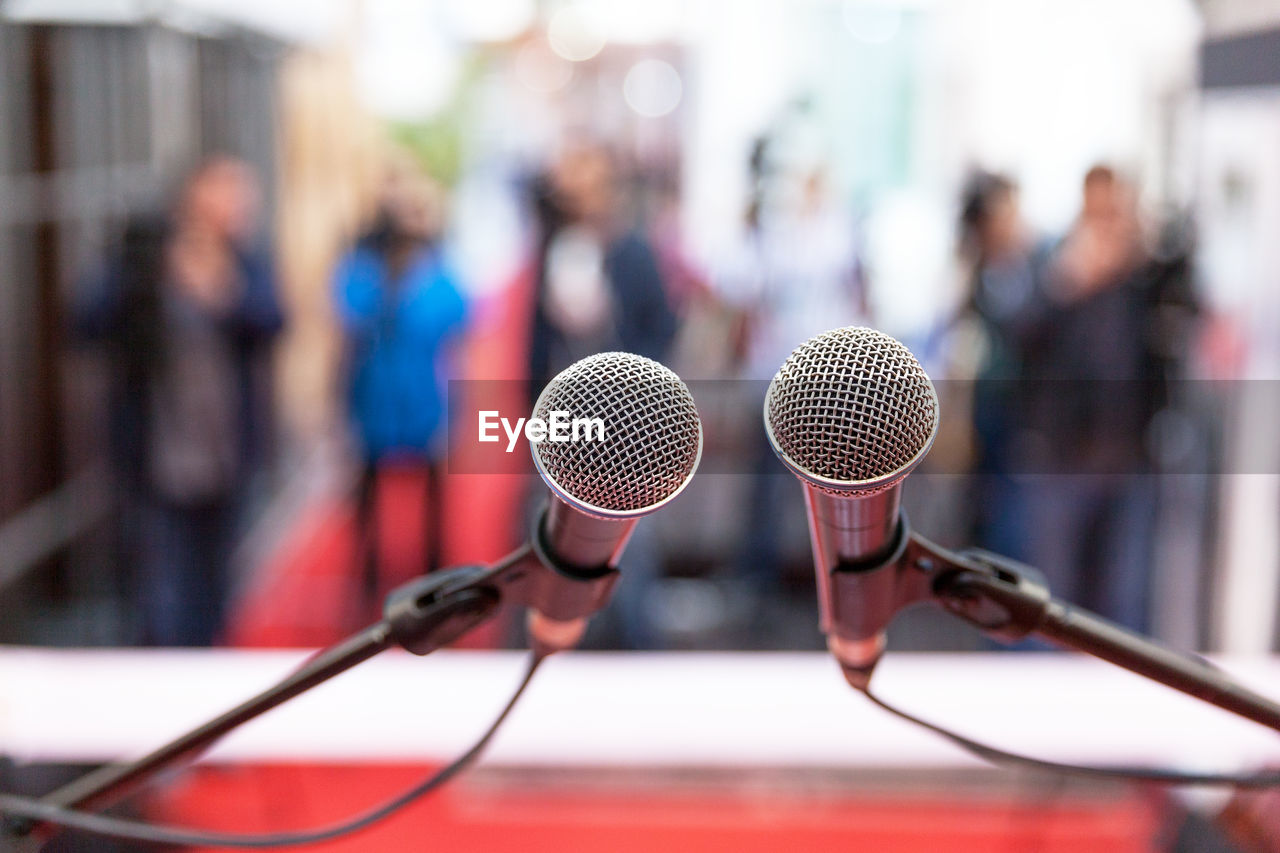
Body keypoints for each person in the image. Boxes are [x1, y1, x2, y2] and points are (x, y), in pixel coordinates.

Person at [76, 156, 284, 646]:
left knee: (218, 580)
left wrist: (225, 294)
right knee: (161, 584)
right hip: (156, 450)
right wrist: (150, 277)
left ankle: (207, 667)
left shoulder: (246, 261)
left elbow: (274, 321)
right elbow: (86, 323)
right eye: (229, 191)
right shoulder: (146, 253)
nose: (241, 205)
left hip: (226, 447)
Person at [334, 172, 469, 620]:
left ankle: (433, 577)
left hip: (424, 399)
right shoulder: (361, 267)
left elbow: (457, 314)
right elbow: (347, 312)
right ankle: (367, 581)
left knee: (433, 500)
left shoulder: (435, 268)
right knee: (369, 499)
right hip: (374, 398)